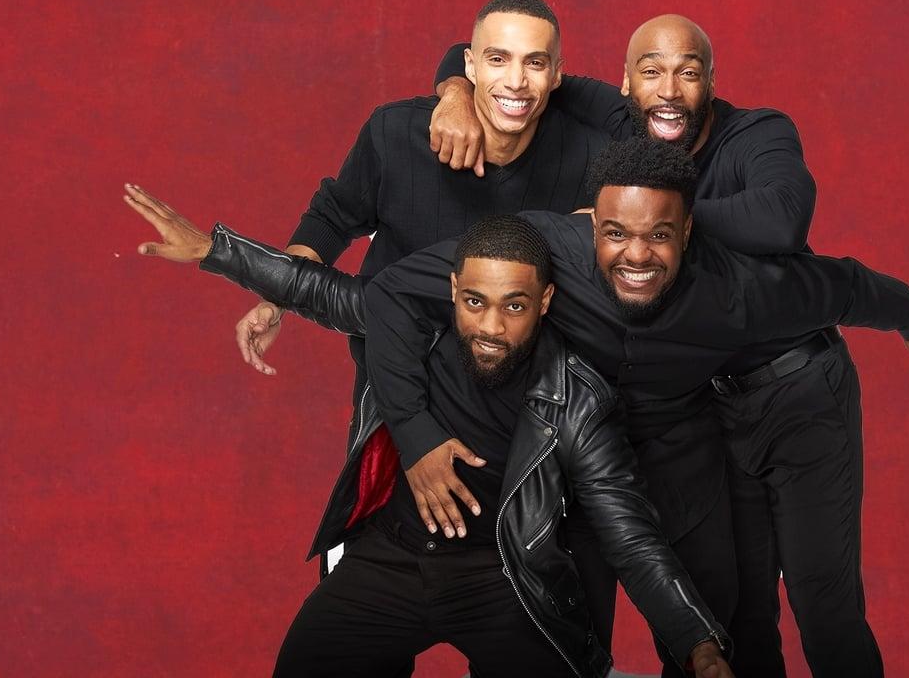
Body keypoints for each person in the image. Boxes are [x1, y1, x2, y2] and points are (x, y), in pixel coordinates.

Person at [360, 138, 909, 677]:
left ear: (687, 230)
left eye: (658, 235)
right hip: (575, 472)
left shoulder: (741, 290)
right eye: (615, 233)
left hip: (683, 465)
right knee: (565, 640)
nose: (635, 255)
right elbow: (390, 291)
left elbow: (845, 287)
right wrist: (414, 431)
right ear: (591, 224)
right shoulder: (545, 251)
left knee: (713, 633)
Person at [431, 15, 899, 676]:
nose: (669, 90)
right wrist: (454, 93)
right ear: (626, 83)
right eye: (651, 73)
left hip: (795, 388)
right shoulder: (624, 119)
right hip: (714, 401)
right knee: (742, 612)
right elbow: (485, 58)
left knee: (823, 603)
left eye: (688, 72)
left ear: (712, 81)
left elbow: (783, 220)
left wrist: (652, 218)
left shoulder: (756, 132)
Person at [123, 189, 734, 677]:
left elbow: (628, 530)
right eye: (475, 302)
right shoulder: (413, 329)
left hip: (504, 577)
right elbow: (319, 291)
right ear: (453, 291)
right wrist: (213, 249)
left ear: (545, 301)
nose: (491, 327)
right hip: (391, 558)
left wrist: (698, 645)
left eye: (515, 306)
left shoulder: (576, 398)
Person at [220, 0, 611, 572]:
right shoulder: (396, 133)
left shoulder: (590, 155)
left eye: (534, 63)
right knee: (367, 572)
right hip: (396, 386)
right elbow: (333, 215)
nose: (516, 81)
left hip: (514, 398)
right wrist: (275, 297)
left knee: (513, 579)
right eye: (497, 59)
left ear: (557, 75)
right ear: (469, 64)